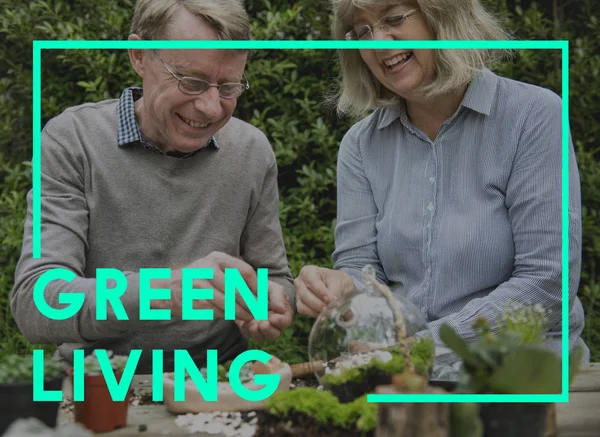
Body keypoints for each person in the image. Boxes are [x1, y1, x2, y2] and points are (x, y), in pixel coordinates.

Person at [294, 0, 589, 362]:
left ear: (443, 16)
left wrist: (424, 346)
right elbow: (362, 270)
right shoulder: (360, 145)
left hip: (519, 377)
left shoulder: (533, 116)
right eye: (363, 30)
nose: (378, 42)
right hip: (409, 378)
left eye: (393, 18)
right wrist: (344, 288)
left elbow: (546, 284)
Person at [10, 0, 295, 373]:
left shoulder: (251, 150)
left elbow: (274, 278)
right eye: (190, 81)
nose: (211, 108)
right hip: (97, 385)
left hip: (219, 380)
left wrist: (270, 302)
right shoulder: (73, 140)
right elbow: (36, 303)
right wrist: (164, 292)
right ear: (139, 55)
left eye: (228, 87)